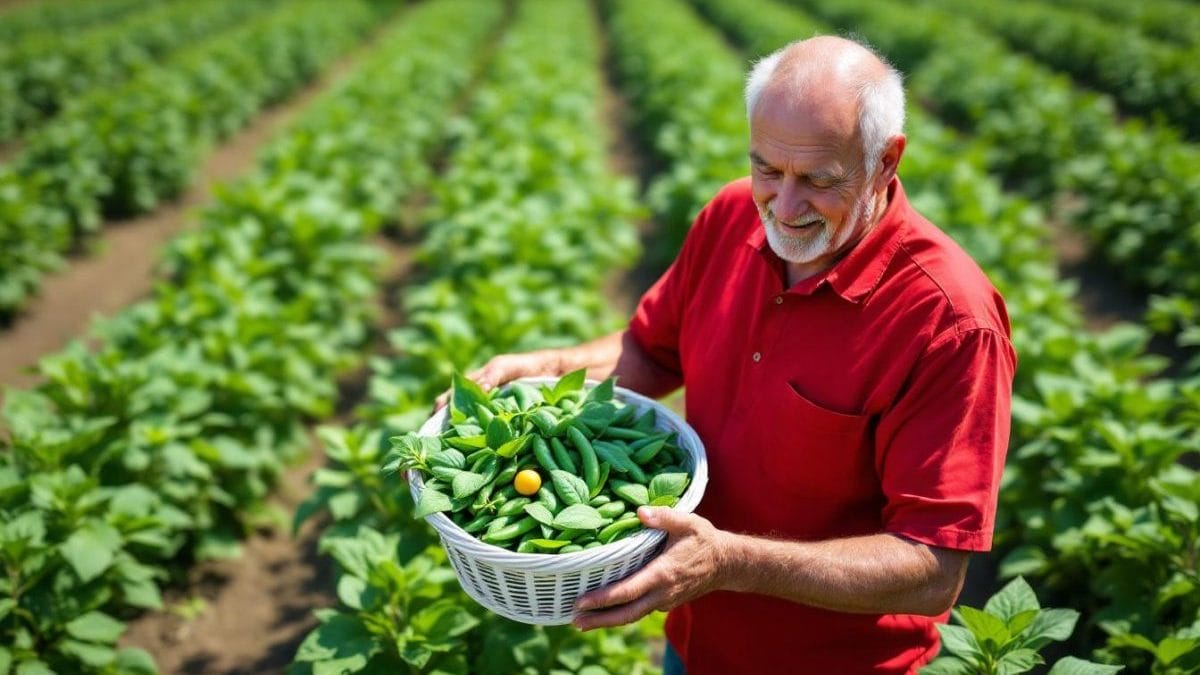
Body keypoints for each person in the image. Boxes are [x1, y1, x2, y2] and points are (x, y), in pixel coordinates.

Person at [447, 36, 1016, 674]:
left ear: (886, 162)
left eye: (819, 180)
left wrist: (731, 563)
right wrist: (549, 371)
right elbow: (651, 350)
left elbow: (931, 568)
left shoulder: (948, 323)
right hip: (694, 637)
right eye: (768, 169)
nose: (786, 205)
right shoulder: (730, 217)